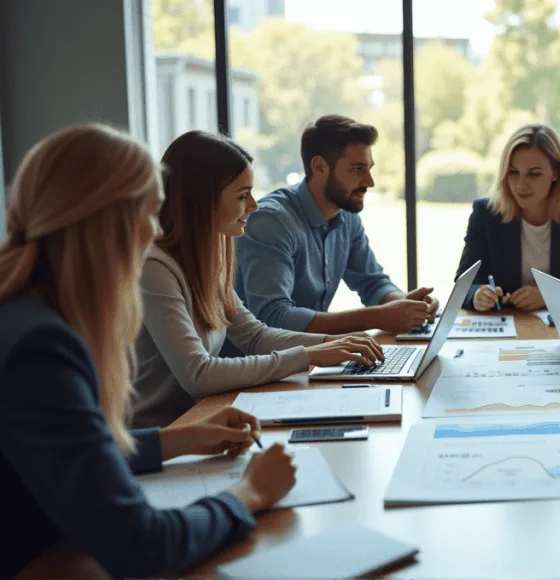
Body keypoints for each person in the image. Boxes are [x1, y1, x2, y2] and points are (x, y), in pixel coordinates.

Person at [0, 124, 298, 578]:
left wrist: (176, 440)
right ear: (111, 223)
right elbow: (141, 545)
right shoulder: (42, 347)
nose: (155, 230)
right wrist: (249, 493)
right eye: (151, 212)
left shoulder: (26, 314)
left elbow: (71, 456)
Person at [133, 131, 384, 428]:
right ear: (202, 201)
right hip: (158, 435)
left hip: (203, 419)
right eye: (242, 195)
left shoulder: (211, 256)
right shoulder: (154, 268)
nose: (253, 205)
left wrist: (335, 344)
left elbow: (255, 336)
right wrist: (308, 355)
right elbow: (199, 375)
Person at [234, 114, 438, 335]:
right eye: (357, 169)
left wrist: (409, 304)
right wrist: (379, 317)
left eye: (369, 168)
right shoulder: (272, 221)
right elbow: (273, 317)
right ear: (320, 167)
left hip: (307, 357)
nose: (369, 182)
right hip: (259, 365)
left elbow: (373, 283)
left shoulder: (345, 214)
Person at [456, 124, 560, 312]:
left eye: (534, 173)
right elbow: (463, 285)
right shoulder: (486, 213)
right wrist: (477, 295)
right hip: (505, 326)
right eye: (513, 172)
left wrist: (548, 296)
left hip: (559, 327)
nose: (521, 184)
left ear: (556, 173)